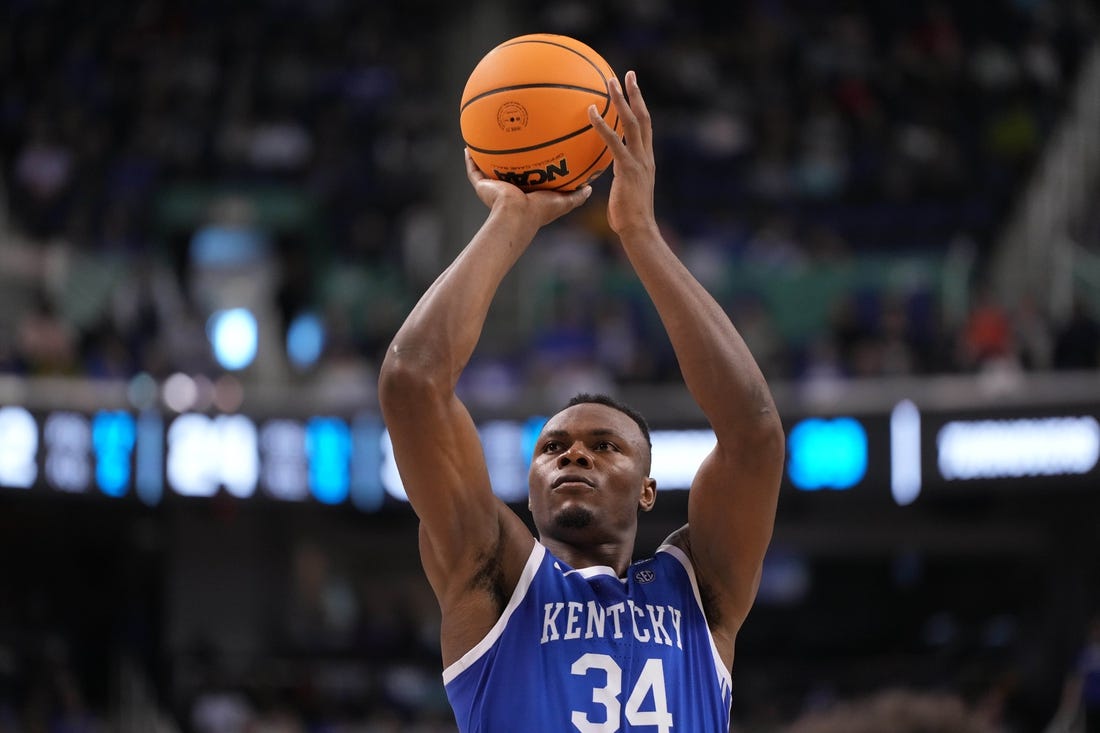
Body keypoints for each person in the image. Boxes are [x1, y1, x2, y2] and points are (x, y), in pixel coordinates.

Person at [378, 70, 785, 732]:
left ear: (649, 488)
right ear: (530, 485)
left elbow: (755, 433)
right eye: (553, 447)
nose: (574, 455)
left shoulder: (698, 590)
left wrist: (641, 235)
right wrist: (511, 221)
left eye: (605, 446)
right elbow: (411, 382)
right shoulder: (493, 572)